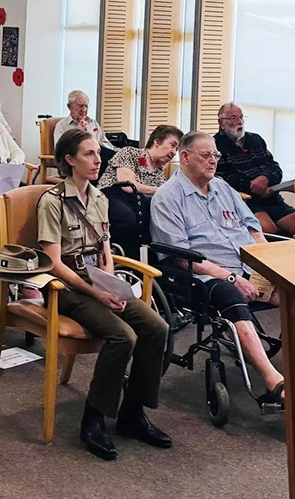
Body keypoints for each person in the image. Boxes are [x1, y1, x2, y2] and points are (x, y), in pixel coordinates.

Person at [37, 129, 170, 461]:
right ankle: (93, 418)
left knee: (157, 328)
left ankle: (132, 413)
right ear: (69, 160)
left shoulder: (99, 198)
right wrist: (96, 291)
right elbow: (54, 263)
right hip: (67, 288)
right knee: (123, 336)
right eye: (89, 154)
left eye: (98, 153)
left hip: (98, 281)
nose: (98, 160)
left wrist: (110, 284)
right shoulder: (52, 201)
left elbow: (105, 250)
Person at [150, 131, 285, 401]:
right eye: (206, 155)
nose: (213, 160)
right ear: (185, 157)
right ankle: (272, 380)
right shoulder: (167, 197)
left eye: (215, 155)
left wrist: (269, 263)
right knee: (231, 296)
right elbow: (182, 257)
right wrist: (231, 277)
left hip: (247, 264)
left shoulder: (222, 187)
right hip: (204, 275)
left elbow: (252, 227)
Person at [98, 125, 182, 259]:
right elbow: (128, 186)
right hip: (112, 195)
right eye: (172, 145)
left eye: (176, 149)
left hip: (140, 204)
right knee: (130, 221)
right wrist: (162, 190)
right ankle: (125, 260)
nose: (173, 152)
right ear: (157, 142)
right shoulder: (129, 152)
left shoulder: (159, 174)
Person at [214, 102, 295, 236]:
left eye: (241, 117)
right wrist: (254, 186)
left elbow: (274, 168)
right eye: (233, 118)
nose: (239, 122)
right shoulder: (215, 146)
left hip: (272, 199)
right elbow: (222, 180)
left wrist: (266, 179)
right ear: (221, 123)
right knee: (268, 229)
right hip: (245, 202)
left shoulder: (255, 140)